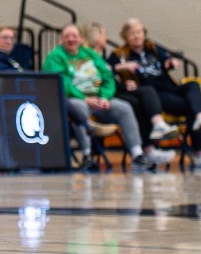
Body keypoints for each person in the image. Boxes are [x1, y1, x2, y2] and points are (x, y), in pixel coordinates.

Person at [44, 23, 172, 171]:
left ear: (80, 38)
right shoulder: (55, 56)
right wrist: (85, 99)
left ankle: (137, 154)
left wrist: (105, 97)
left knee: (124, 107)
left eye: (74, 36)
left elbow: (108, 77)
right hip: (77, 100)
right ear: (61, 39)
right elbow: (62, 83)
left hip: (99, 99)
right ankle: (87, 154)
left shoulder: (90, 54)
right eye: (67, 36)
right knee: (77, 108)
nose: (71, 39)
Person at [113, 18, 201, 169]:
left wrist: (170, 62)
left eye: (139, 32)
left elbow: (167, 59)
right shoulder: (120, 54)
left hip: (170, 87)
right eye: (132, 33)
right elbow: (106, 69)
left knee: (193, 85)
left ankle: (199, 117)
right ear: (126, 37)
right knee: (190, 107)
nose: (137, 36)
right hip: (153, 95)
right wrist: (121, 68)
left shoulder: (152, 47)